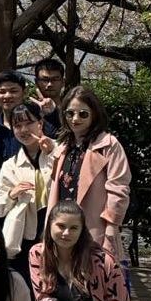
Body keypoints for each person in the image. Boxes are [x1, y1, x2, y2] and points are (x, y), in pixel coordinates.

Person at [47, 85, 132, 263]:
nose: (75, 119)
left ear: (94, 114)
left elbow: (118, 188)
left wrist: (112, 225)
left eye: (83, 114)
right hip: (62, 228)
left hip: (94, 227)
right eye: (70, 113)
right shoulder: (62, 147)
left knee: (98, 280)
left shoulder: (109, 145)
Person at [0, 103, 55, 276]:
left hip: (57, 231)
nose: (23, 130)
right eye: (17, 125)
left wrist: (52, 153)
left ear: (40, 124)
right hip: (24, 236)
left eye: (28, 123)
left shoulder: (60, 151)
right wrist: (12, 194)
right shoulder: (10, 165)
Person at [0, 70, 50, 165]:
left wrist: (52, 113)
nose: (7, 96)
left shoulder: (40, 125)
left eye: (13, 91)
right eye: (2, 92)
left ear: (25, 92)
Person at [33, 57, 65, 132]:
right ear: (36, 82)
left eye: (55, 79)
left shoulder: (71, 109)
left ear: (63, 82)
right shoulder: (29, 111)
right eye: (45, 80)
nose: (50, 84)